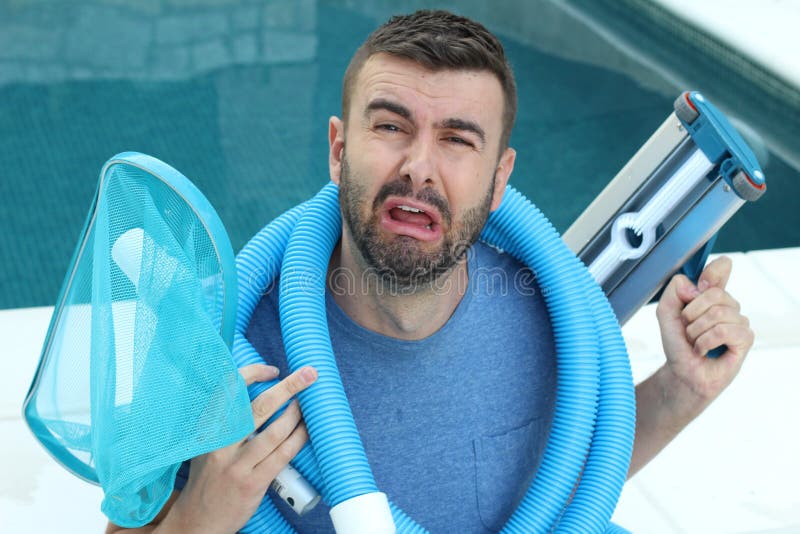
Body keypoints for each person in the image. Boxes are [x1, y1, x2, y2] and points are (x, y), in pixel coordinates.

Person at [107, 9, 754, 534]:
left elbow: (571, 486)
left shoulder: (550, 319)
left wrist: (681, 389)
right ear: (338, 150)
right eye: (391, 125)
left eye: (457, 139)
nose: (419, 165)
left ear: (499, 179)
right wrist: (200, 521)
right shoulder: (212, 341)